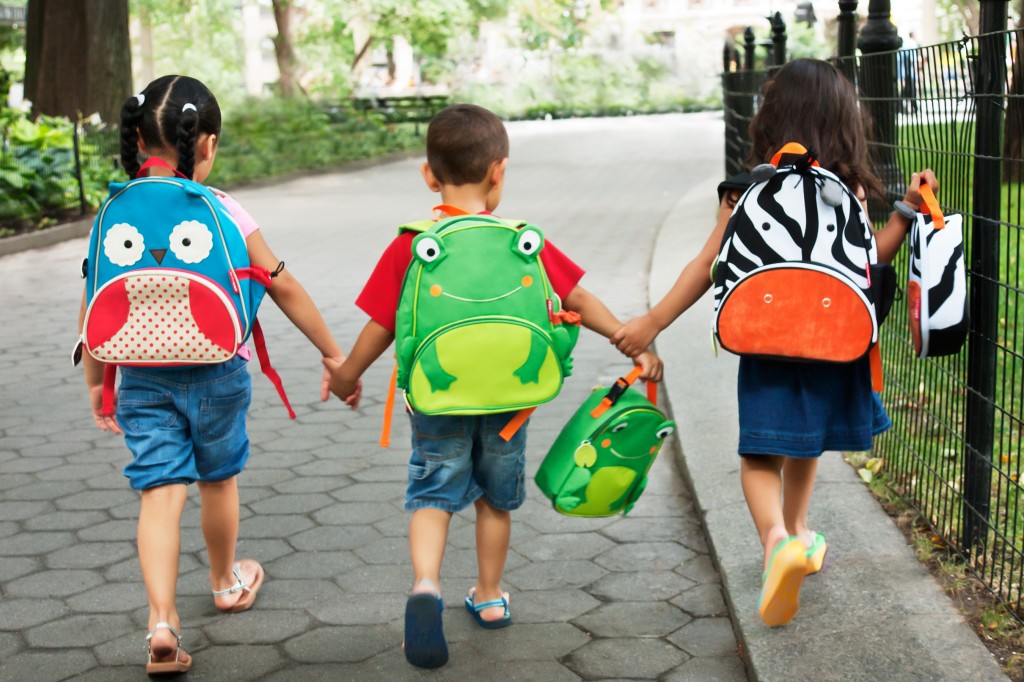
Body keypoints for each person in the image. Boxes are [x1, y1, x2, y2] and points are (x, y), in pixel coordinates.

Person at [323, 103, 663, 668]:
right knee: (495, 501)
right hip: (511, 402)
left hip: (437, 398)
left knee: (434, 493)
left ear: (429, 175)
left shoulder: (412, 244)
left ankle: (426, 587)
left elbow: (382, 325)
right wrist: (630, 339)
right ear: (499, 171)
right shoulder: (522, 242)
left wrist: (346, 375)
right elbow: (577, 299)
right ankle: (488, 597)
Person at [610, 59, 939, 627]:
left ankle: (776, 540)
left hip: (765, 337)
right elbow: (864, 264)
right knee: (805, 443)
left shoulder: (747, 189)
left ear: (770, 119)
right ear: (844, 122)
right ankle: (800, 531)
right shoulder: (849, 189)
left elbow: (708, 263)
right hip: (836, 341)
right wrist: (906, 212)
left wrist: (653, 322)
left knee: (760, 453)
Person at [77, 75, 358, 675]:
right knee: (218, 480)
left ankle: (161, 620)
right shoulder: (224, 206)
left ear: (135, 140)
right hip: (218, 371)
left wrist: (99, 386)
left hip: (141, 374)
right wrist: (333, 354)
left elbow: (93, 304)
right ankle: (226, 581)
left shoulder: (112, 209)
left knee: (159, 491)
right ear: (205, 143)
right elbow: (279, 281)